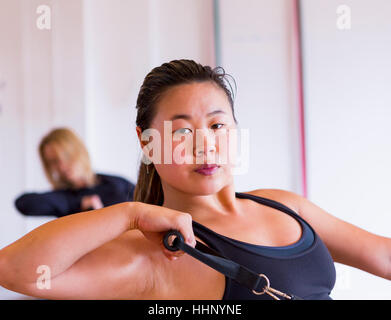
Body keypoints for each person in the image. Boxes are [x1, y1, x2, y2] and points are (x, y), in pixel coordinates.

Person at [1, 59, 390, 300]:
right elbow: (15, 271)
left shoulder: (285, 205)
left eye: (217, 125)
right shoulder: (157, 252)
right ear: (147, 143)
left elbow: (382, 255)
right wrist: (129, 216)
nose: (205, 146)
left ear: (235, 128)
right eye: (181, 132)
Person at [14, 128, 135, 217]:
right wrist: (79, 202)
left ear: (78, 151)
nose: (61, 166)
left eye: (65, 156)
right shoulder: (64, 197)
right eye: (54, 161)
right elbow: (23, 204)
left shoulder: (115, 183)